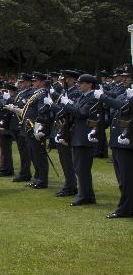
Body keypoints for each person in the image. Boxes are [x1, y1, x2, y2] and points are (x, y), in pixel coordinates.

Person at [60, 74, 100, 206]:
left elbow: (82, 113)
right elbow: (76, 110)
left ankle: (83, 195)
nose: (78, 85)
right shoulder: (83, 97)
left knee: (82, 168)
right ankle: (88, 195)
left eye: (81, 83)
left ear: (90, 84)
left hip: (84, 136)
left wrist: (67, 105)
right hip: (78, 135)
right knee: (79, 167)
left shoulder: (92, 97)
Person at [98, 65, 132, 218]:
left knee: (126, 179)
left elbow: (122, 106)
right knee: (121, 178)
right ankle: (128, 207)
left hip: (127, 141)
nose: (123, 80)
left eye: (127, 78)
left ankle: (124, 210)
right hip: (118, 140)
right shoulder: (125, 93)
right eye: (123, 77)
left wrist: (102, 96)